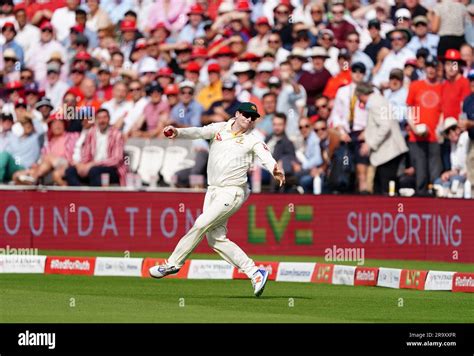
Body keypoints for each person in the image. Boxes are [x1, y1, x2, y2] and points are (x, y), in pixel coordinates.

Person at [149, 102, 285, 297]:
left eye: (253, 118)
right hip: (212, 190)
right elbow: (198, 132)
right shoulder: (219, 128)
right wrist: (177, 132)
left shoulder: (252, 140)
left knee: (200, 223)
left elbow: (265, 155)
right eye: (246, 115)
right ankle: (255, 272)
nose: (249, 119)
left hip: (233, 191)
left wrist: (275, 169)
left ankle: (172, 264)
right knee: (215, 239)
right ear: (237, 114)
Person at [355, 82, 408, 195]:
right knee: (380, 187)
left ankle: (391, 211)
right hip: (388, 152)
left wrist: (369, 144)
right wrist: (367, 133)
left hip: (389, 153)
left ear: (361, 95)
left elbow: (385, 126)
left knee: (386, 189)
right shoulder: (378, 100)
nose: (360, 102)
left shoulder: (375, 103)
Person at [65, 108, 126, 186]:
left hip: (113, 169)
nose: (102, 121)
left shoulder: (116, 134)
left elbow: (117, 159)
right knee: (70, 171)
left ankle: (96, 197)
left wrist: (94, 164)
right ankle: (81, 193)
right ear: (96, 120)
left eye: (104, 117)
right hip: (92, 167)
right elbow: (86, 154)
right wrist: (82, 166)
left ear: (109, 119)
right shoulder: (91, 133)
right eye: (99, 118)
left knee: (94, 171)